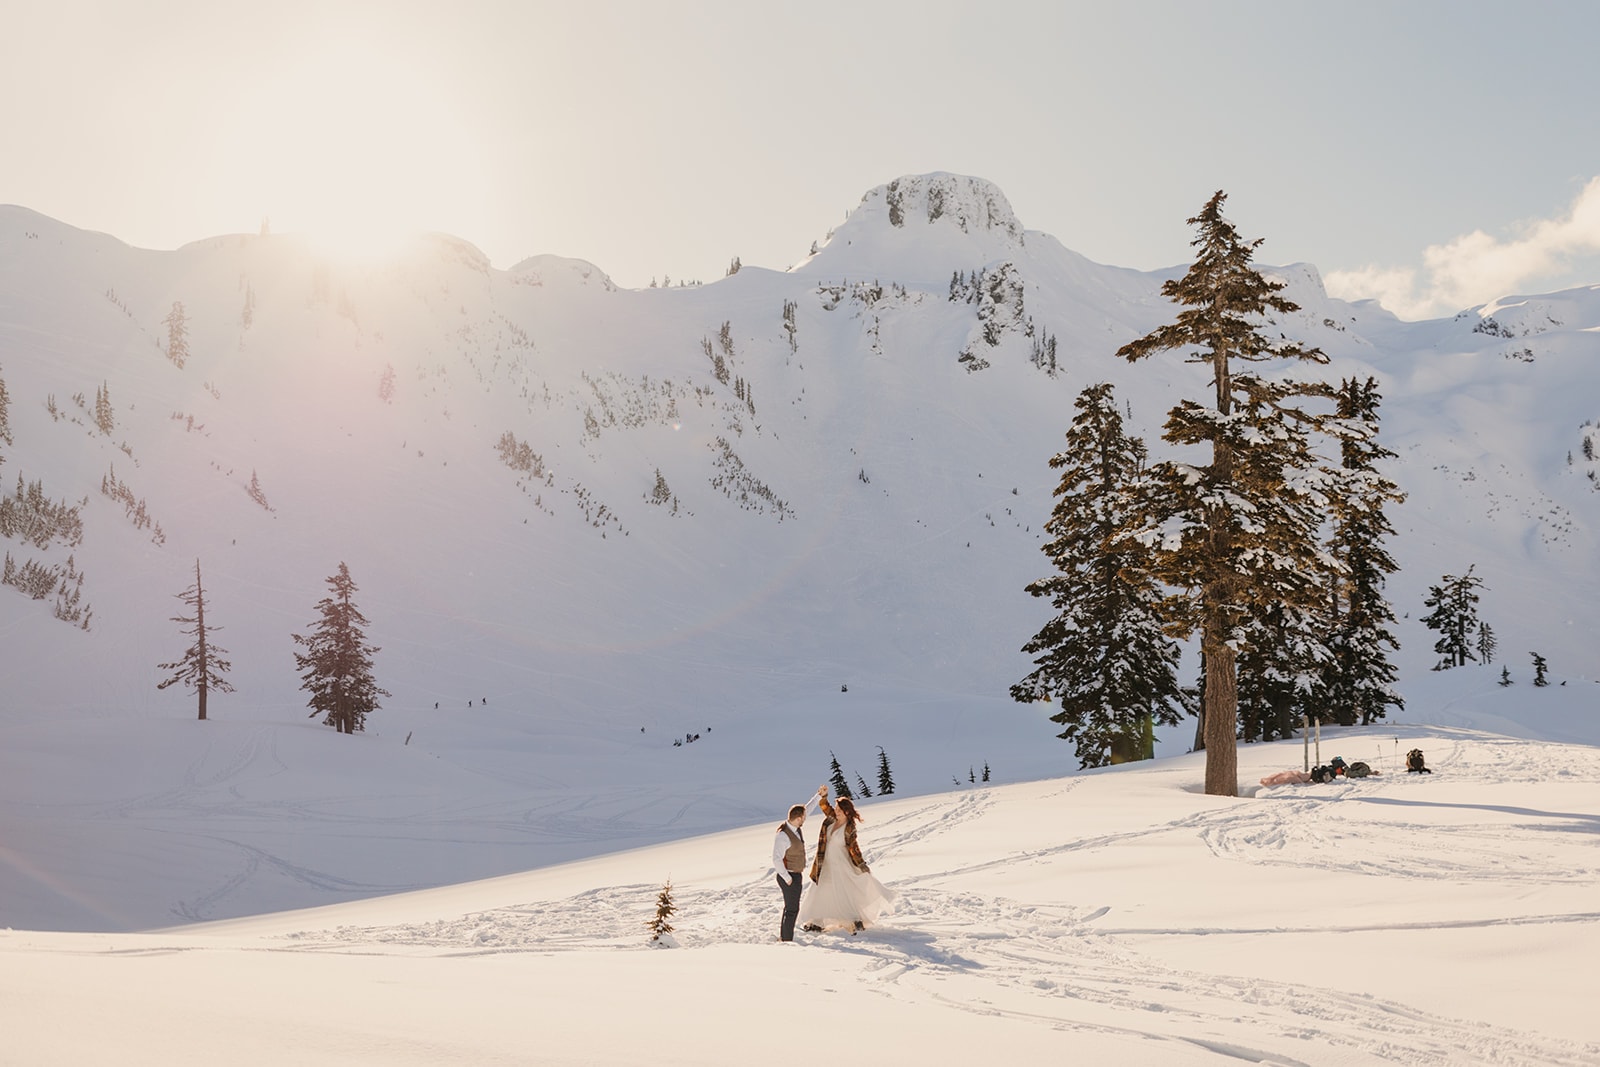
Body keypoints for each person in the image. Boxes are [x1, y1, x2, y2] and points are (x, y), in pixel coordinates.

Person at [797, 786, 897, 934]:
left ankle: (852, 919)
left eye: (839, 809)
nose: (836, 811)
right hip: (825, 863)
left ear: (847, 812)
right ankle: (817, 921)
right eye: (836, 808)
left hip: (841, 864)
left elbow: (854, 848)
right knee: (821, 889)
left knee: (844, 891)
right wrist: (823, 796)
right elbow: (825, 806)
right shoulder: (831, 819)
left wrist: (862, 865)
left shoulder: (849, 828)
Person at [771, 788, 822, 942]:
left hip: (794, 875)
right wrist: (787, 879)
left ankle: (785, 937)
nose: (805, 819)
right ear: (799, 818)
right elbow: (776, 859)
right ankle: (786, 940)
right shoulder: (783, 836)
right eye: (804, 817)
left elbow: (808, 808)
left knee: (790, 908)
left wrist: (819, 796)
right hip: (788, 875)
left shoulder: (795, 827)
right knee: (792, 909)